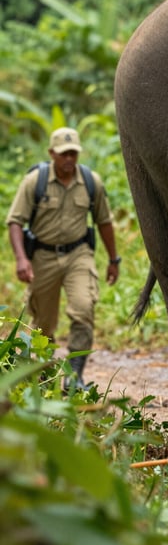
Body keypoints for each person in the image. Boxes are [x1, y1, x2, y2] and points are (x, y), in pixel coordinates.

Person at [6, 127, 121, 389]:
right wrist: (21, 259)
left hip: (78, 255)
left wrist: (114, 260)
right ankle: (45, 375)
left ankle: (74, 376)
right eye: (63, 154)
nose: (69, 158)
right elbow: (14, 221)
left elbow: (104, 222)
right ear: (51, 154)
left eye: (73, 153)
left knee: (83, 309)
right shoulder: (35, 181)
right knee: (43, 323)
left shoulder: (92, 182)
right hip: (43, 257)